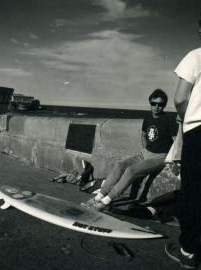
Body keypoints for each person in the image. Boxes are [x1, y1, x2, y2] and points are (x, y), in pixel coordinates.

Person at [82, 89, 177, 211]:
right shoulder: (148, 118)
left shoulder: (169, 120)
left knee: (131, 170)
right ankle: (98, 197)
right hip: (145, 153)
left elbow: (176, 141)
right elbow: (143, 135)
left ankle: (106, 201)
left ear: (164, 105)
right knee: (120, 166)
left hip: (160, 156)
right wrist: (145, 149)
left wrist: (172, 158)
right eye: (154, 103)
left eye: (161, 104)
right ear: (150, 103)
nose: (157, 107)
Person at [165, 18, 201, 269]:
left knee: (192, 192)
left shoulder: (195, 56)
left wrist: (184, 116)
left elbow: (179, 98)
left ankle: (188, 251)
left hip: (198, 131)